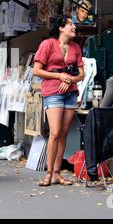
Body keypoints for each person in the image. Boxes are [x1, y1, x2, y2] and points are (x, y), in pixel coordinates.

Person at [33, 16, 85, 186]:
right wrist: (59, 76)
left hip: (70, 93)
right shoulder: (47, 44)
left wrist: (71, 79)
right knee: (55, 132)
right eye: (70, 24)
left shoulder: (76, 47)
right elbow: (37, 70)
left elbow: (82, 74)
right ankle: (48, 173)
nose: (74, 26)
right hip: (52, 92)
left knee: (63, 132)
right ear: (61, 28)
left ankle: (57, 173)